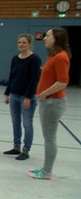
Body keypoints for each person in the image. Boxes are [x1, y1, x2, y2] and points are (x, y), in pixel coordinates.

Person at [28, 28, 71, 180]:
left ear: (56, 38)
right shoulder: (54, 56)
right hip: (49, 101)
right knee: (48, 137)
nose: (44, 38)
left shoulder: (60, 57)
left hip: (53, 102)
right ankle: (46, 168)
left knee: (49, 138)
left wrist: (45, 93)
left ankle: (47, 171)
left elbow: (63, 82)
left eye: (47, 35)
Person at [3, 33, 41, 161]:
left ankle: (26, 150)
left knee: (27, 123)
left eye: (24, 42)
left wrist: (28, 97)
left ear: (30, 44)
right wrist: (7, 93)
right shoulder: (15, 59)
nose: (21, 44)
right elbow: (12, 76)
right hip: (14, 95)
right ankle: (16, 147)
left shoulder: (34, 59)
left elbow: (34, 79)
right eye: (19, 42)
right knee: (15, 122)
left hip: (26, 96)